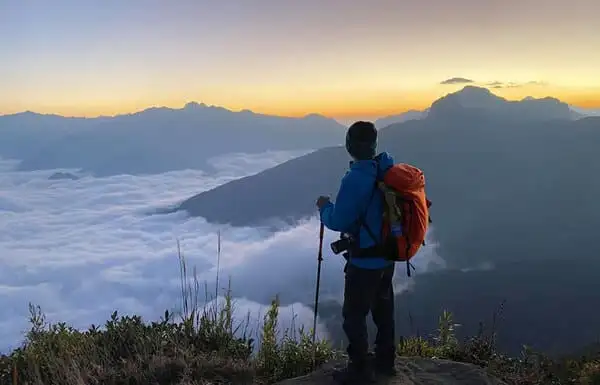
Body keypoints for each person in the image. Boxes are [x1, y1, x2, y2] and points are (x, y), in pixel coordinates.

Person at [316, 121, 397, 383]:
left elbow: (338, 220)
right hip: (388, 255)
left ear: (349, 146)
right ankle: (386, 363)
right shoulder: (386, 170)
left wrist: (324, 207)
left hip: (364, 261)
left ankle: (359, 369)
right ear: (374, 145)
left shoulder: (356, 178)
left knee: (354, 315)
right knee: (383, 311)